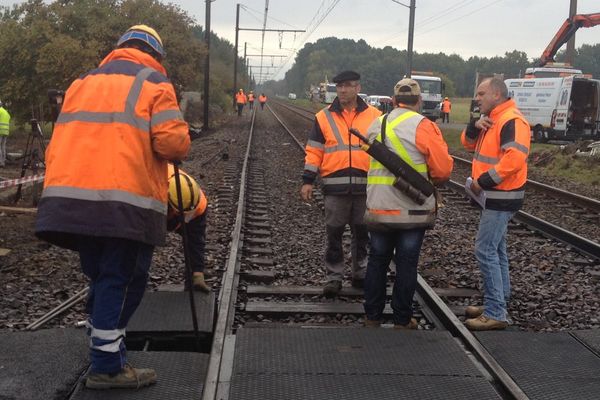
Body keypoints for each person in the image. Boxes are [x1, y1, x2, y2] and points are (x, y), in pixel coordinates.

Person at [35, 25, 190, 389]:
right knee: (122, 279)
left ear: (118, 49)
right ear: (156, 55)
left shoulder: (82, 82)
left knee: (102, 276)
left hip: (70, 199)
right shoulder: (154, 83)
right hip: (123, 201)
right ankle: (107, 366)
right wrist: (183, 135)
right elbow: (172, 146)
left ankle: (103, 340)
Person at [362, 79, 453, 329]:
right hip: (413, 211)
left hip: (379, 208)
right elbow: (443, 171)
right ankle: (402, 320)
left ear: (392, 101)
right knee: (406, 265)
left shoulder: (376, 123)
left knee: (377, 261)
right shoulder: (425, 126)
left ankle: (372, 317)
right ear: (419, 101)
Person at [301, 70, 381, 298]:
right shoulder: (323, 117)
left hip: (365, 186)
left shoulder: (375, 116)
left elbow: (382, 150)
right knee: (334, 234)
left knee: (362, 233)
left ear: (358, 87)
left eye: (348, 85)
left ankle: (360, 273)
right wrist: (308, 180)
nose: (343, 90)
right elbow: (314, 150)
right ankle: (334, 277)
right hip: (335, 188)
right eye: (340, 86)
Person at [461, 77, 530, 331]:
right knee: (496, 250)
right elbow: (467, 145)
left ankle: (495, 311)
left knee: (485, 250)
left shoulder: (511, 120)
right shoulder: (492, 119)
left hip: (501, 196)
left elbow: (515, 159)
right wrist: (474, 126)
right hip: (495, 196)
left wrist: (483, 181)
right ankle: (499, 300)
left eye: (481, 93)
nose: (477, 98)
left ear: (497, 95)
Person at [167, 164, 210, 292]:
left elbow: (195, 239)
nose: (185, 216)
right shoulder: (151, 193)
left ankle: (192, 284)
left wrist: (197, 272)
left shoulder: (198, 205)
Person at [0, 100, 10, 167]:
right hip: (6, 131)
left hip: (0, 131)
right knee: (3, 146)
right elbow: (9, 118)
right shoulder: (5, 111)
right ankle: (3, 162)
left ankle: (0, 162)